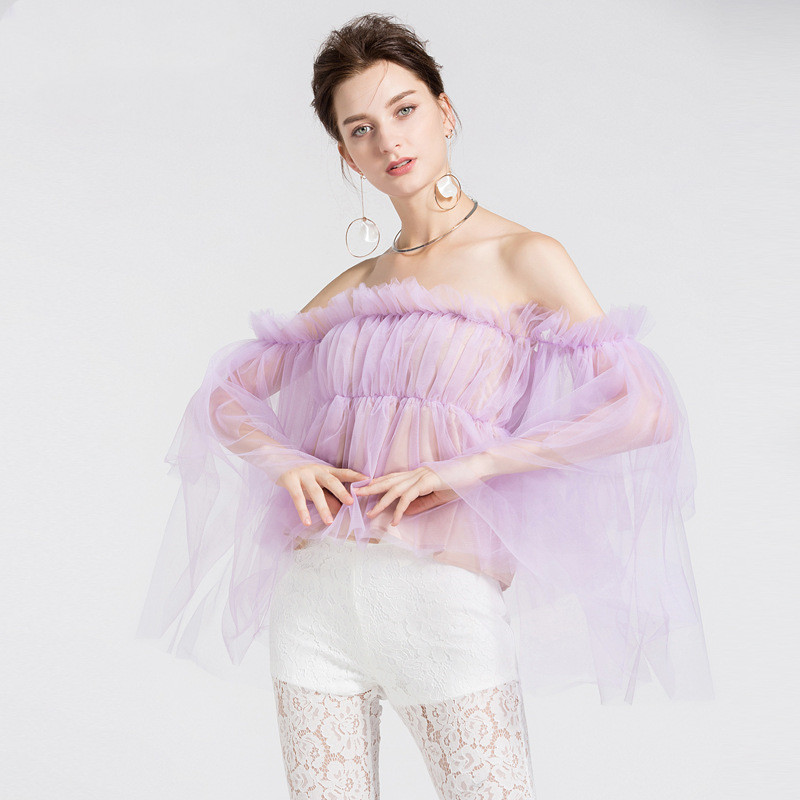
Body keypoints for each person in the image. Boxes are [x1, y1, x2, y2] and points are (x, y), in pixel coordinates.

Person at [136, 12, 714, 800]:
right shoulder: (357, 287)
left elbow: (644, 408)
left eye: (404, 109)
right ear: (347, 155)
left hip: (442, 602)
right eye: (361, 128)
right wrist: (285, 461)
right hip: (316, 604)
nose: (389, 140)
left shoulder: (523, 256)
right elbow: (225, 392)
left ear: (445, 110)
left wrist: (473, 467)